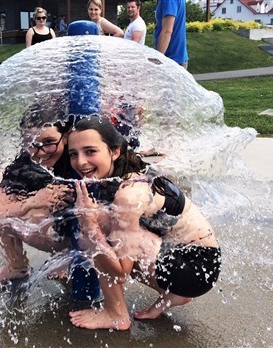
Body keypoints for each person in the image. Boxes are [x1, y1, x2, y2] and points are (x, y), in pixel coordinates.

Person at [66, 117, 221, 330]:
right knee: (105, 221)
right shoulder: (126, 170)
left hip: (196, 268)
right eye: (73, 154)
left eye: (90, 151)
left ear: (114, 151)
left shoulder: (128, 196)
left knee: (96, 228)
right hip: (196, 261)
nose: (80, 162)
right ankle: (174, 295)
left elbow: (120, 272)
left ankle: (116, 315)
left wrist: (89, 226)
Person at [0, 99, 74, 288]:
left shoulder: (78, 163)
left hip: (74, 236)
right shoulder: (25, 164)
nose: (39, 152)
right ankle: (16, 265)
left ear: (65, 137)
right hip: (48, 228)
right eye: (31, 143)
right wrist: (32, 202)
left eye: (48, 142)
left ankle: (70, 257)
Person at [154, 0, 188, 68]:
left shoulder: (169, 1)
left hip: (171, 61)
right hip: (176, 59)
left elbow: (167, 31)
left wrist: (156, 61)